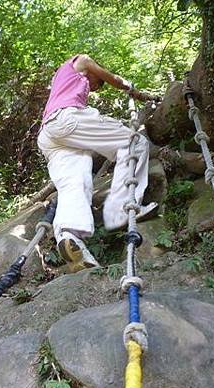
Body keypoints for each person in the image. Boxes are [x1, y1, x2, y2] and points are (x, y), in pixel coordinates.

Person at [37, 54, 157, 273]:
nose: (93, 88)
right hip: (68, 119)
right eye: (95, 85)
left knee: (75, 181)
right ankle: (122, 209)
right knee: (136, 143)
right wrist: (128, 87)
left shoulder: (60, 80)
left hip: (49, 135)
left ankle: (69, 236)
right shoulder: (80, 61)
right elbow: (107, 76)